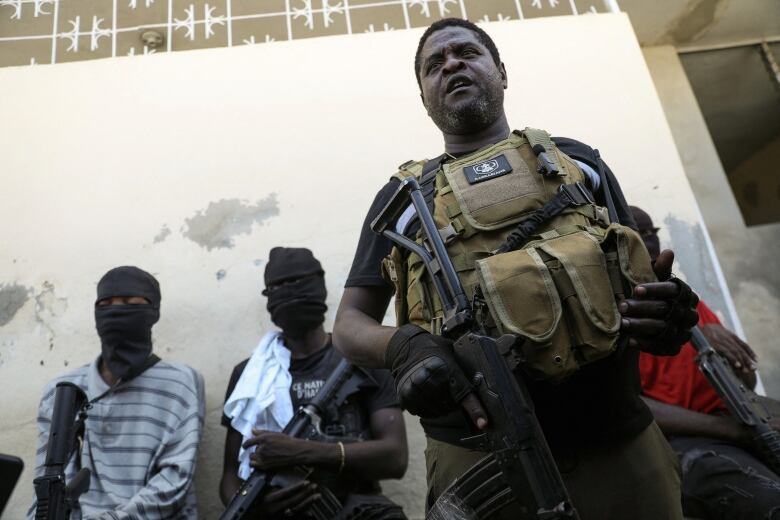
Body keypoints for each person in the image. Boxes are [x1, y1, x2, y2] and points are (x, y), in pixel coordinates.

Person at [333, 17, 700, 519]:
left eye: (467, 52)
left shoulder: (577, 163)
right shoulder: (402, 201)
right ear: (425, 98)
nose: (452, 64)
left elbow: (636, 273)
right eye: (434, 65)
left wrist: (666, 309)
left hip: (617, 441)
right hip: (482, 454)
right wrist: (404, 346)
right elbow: (349, 326)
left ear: (502, 72)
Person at [219, 247, 408, 519]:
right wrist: (259, 507)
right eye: (277, 287)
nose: (288, 293)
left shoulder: (361, 358)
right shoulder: (249, 376)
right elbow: (229, 478)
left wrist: (304, 451)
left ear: (318, 286)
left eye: (297, 283)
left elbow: (395, 457)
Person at [633, 205, 780, 519]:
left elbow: (746, 384)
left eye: (651, 233)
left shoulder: (686, 301)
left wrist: (736, 366)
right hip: (687, 442)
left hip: (735, 419)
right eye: (637, 234)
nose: (648, 242)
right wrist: (736, 431)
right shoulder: (620, 312)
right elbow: (634, 407)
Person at [28, 266, 205, 519]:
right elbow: (49, 483)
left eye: (129, 303)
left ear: (153, 312)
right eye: (106, 304)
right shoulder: (63, 390)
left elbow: (173, 482)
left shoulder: (180, 383)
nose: (116, 310)